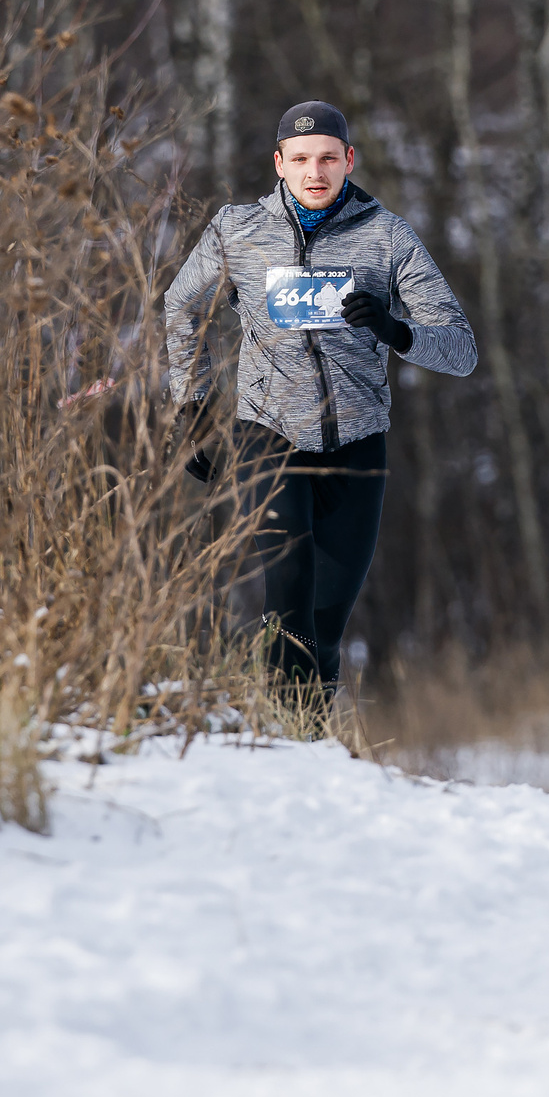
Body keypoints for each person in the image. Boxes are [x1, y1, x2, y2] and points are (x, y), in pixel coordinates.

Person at [162, 100, 479, 703]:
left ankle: (308, 743)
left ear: (348, 160)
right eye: (301, 159)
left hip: (357, 443)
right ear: (278, 163)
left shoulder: (387, 236)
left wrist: (396, 331)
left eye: (328, 158)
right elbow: (180, 306)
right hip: (268, 434)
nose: (315, 172)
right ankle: (284, 744)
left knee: (327, 624)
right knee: (288, 594)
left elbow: (461, 350)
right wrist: (194, 406)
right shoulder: (237, 230)